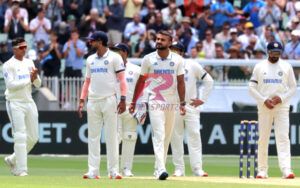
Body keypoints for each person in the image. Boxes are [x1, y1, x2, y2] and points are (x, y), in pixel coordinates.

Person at [129, 30, 186, 180]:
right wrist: (134, 101)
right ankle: (161, 169)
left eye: (162, 40)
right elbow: (141, 81)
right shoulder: (148, 59)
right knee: (159, 134)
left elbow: (180, 82)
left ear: (169, 43)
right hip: (155, 100)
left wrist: (182, 102)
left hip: (172, 102)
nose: (159, 41)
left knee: (166, 136)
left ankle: (157, 168)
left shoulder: (178, 60)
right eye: (158, 39)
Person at [78, 31, 127, 179]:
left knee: (112, 136)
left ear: (100, 42)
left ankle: (113, 171)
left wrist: (123, 98)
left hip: (109, 100)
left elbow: (122, 79)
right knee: (93, 136)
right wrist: (82, 100)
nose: (89, 43)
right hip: (93, 101)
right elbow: (87, 81)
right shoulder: (90, 59)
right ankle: (93, 170)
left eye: (92, 41)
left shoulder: (115, 58)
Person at [248, 41, 296, 179]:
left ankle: (286, 169)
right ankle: (262, 170)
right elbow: (251, 87)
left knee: (283, 137)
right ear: (268, 52)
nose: (276, 55)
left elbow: (293, 87)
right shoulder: (259, 66)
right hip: (264, 107)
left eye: (278, 53)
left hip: (281, 107)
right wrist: (264, 100)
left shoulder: (286, 66)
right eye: (274, 53)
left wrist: (281, 98)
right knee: (263, 138)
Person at [169, 41, 213, 177]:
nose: (173, 53)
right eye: (172, 50)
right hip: (174, 105)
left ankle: (197, 169)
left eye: (176, 50)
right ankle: (179, 169)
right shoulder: (167, 66)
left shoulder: (192, 64)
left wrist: (203, 99)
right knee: (176, 138)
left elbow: (209, 80)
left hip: (190, 105)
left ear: (182, 52)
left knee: (194, 137)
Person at [3, 37, 41, 176]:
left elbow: (38, 84)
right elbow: (10, 85)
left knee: (33, 137)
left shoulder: (29, 62)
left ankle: (12, 159)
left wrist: (35, 78)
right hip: (15, 102)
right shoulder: (8, 65)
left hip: (28, 101)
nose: (24, 49)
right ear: (14, 48)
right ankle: (21, 170)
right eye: (21, 47)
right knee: (20, 135)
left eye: (25, 46)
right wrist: (28, 80)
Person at [110, 43, 141, 177]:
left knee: (130, 138)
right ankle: (114, 169)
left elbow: (142, 90)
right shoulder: (109, 68)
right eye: (114, 51)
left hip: (131, 107)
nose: (115, 54)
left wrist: (142, 107)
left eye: (118, 51)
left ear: (125, 53)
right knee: (114, 138)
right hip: (113, 107)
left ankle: (126, 168)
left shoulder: (136, 69)